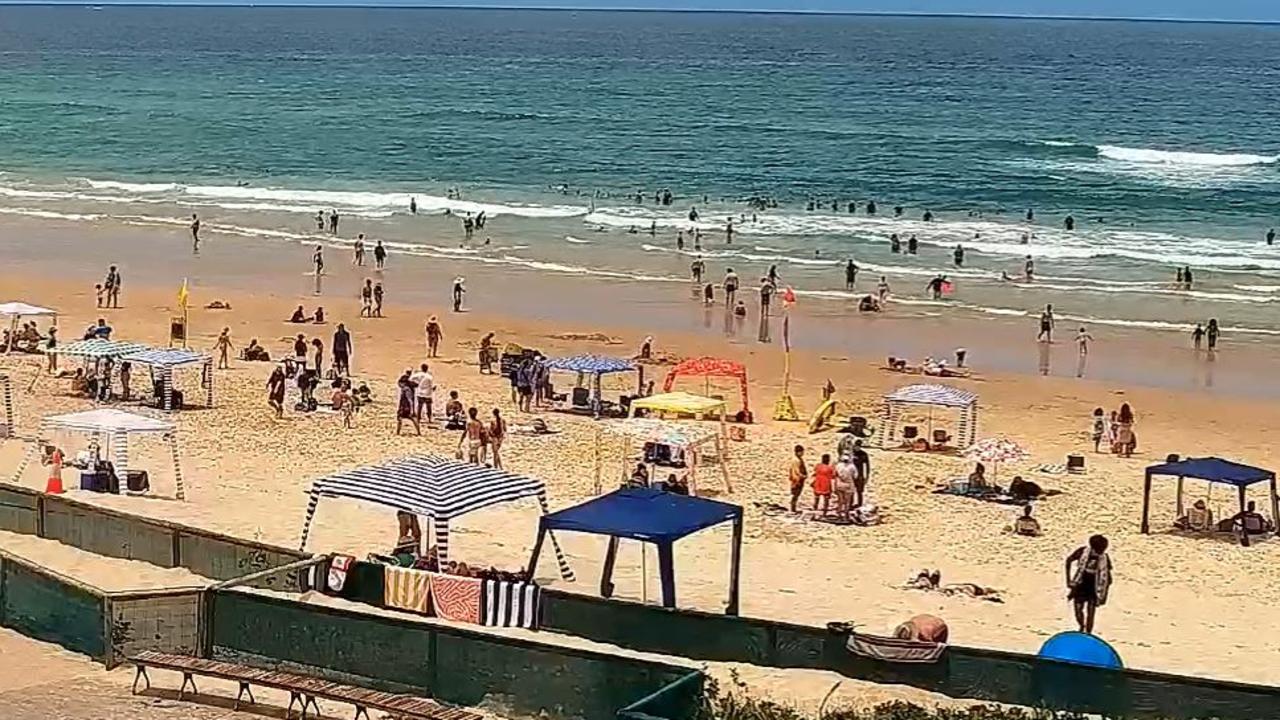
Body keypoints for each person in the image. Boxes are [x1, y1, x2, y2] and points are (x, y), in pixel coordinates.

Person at [1065, 534, 1112, 634]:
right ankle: (1082, 625)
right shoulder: (1083, 552)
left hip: (1094, 585)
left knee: (1091, 611)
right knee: (1078, 608)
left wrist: (1104, 592)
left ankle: (1088, 632)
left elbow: (1107, 577)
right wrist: (1068, 580)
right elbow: (1069, 560)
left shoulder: (1104, 558)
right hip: (1081, 582)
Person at [396, 370, 420, 436]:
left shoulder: (406, 389)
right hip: (405, 406)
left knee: (401, 418)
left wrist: (412, 409)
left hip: (405, 406)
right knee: (412, 418)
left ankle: (398, 432)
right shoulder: (408, 388)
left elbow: (410, 400)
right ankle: (418, 431)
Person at [788, 444, 807, 513]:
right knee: (795, 494)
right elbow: (796, 470)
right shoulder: (796, 460)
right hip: (797, 479)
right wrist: (802, 476)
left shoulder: (799, 459)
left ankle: (793, 508)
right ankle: (793, 508)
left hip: (798, 479)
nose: (802, 453)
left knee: (796, 494)